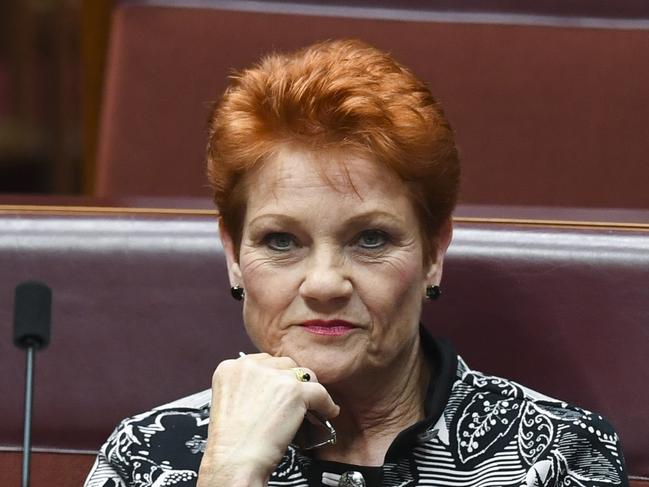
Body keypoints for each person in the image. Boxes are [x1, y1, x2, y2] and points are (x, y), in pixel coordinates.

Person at [85, 39, 628, 487]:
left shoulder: (555, 456)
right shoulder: (147, 457)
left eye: (370, 239)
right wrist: (230, 473)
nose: (323, 284)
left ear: (434, 253)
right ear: (233, 255)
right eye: (280, 241)